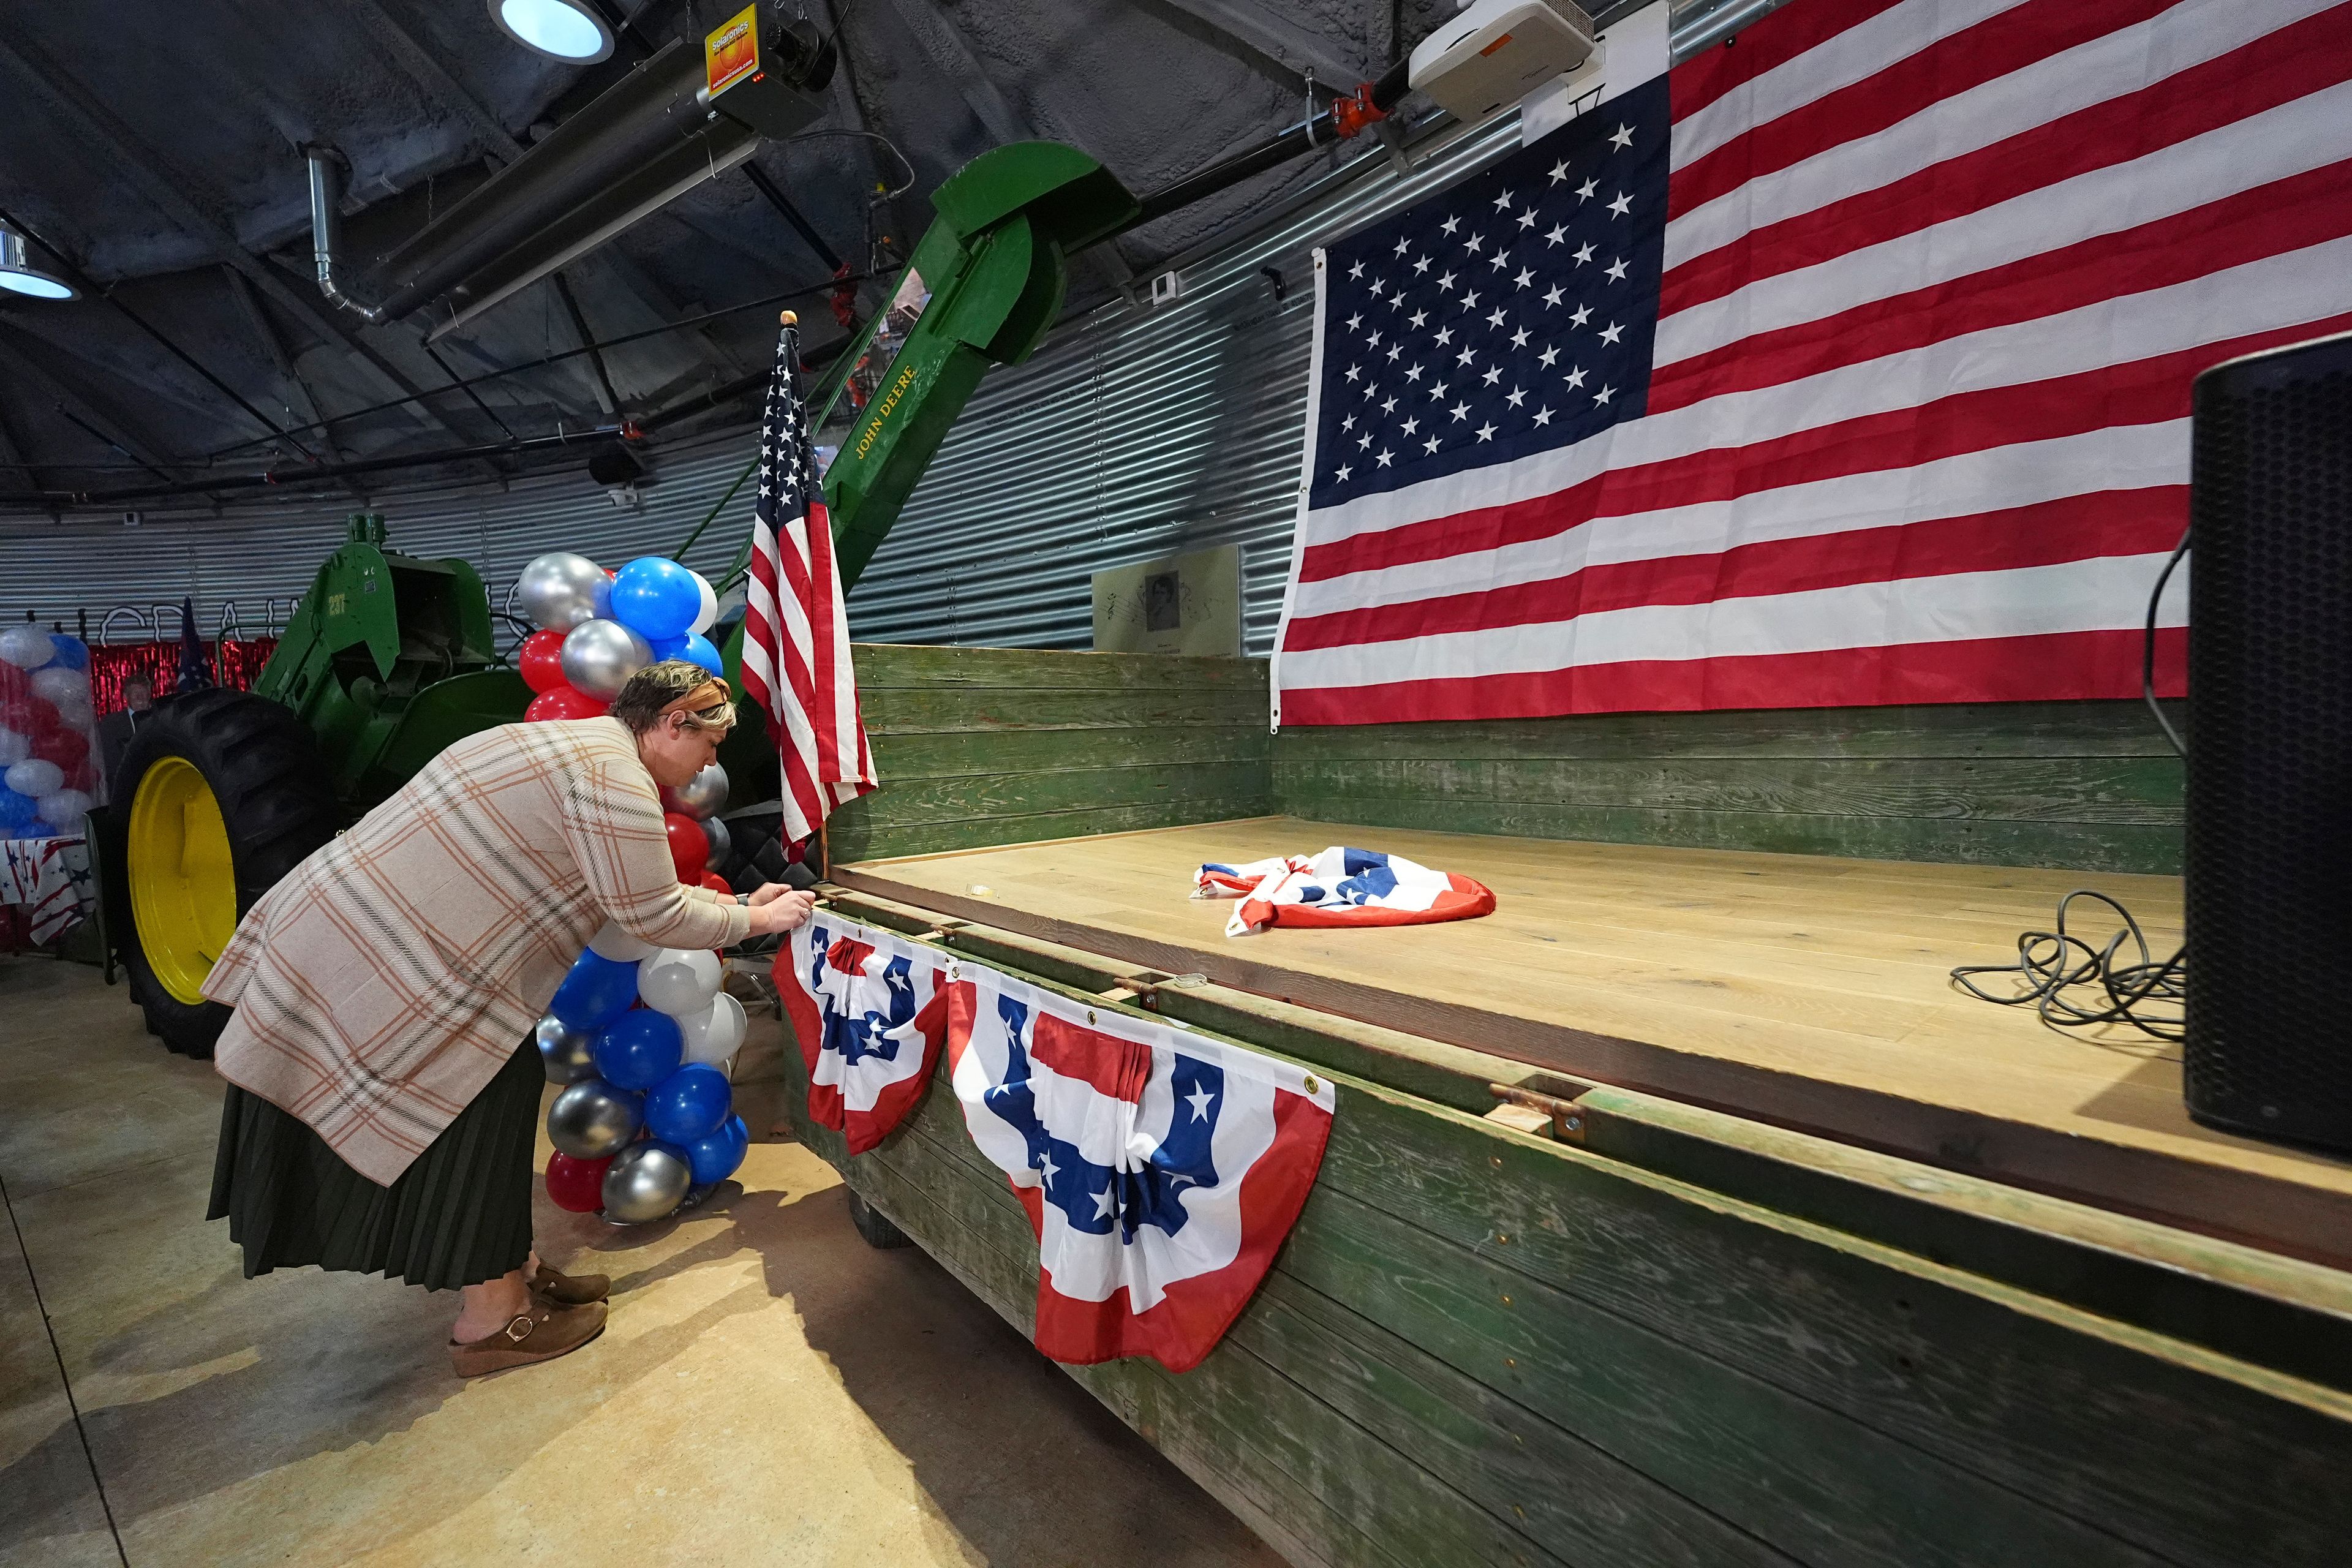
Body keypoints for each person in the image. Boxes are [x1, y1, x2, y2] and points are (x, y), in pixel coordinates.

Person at [201, 661, 815, 1376]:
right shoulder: (614, 777)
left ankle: (509, 1268)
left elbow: (621, 880)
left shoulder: (560, 744)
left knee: (500, 1090)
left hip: (344, 939)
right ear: (673, 721)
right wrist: (758, 917)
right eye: (710, 744)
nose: (712, 763)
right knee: (472, 1112)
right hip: (384, 965)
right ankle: (493, 1321)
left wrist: (741, 906)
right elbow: (648, 910)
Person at [96, 671, 155, 798]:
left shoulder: (161, 718)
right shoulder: (110, 724)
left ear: (149, 694)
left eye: (143, 692)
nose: (140, 697)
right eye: (135, 693)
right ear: (125, 696)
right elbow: (108, 764)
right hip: (123, 792)